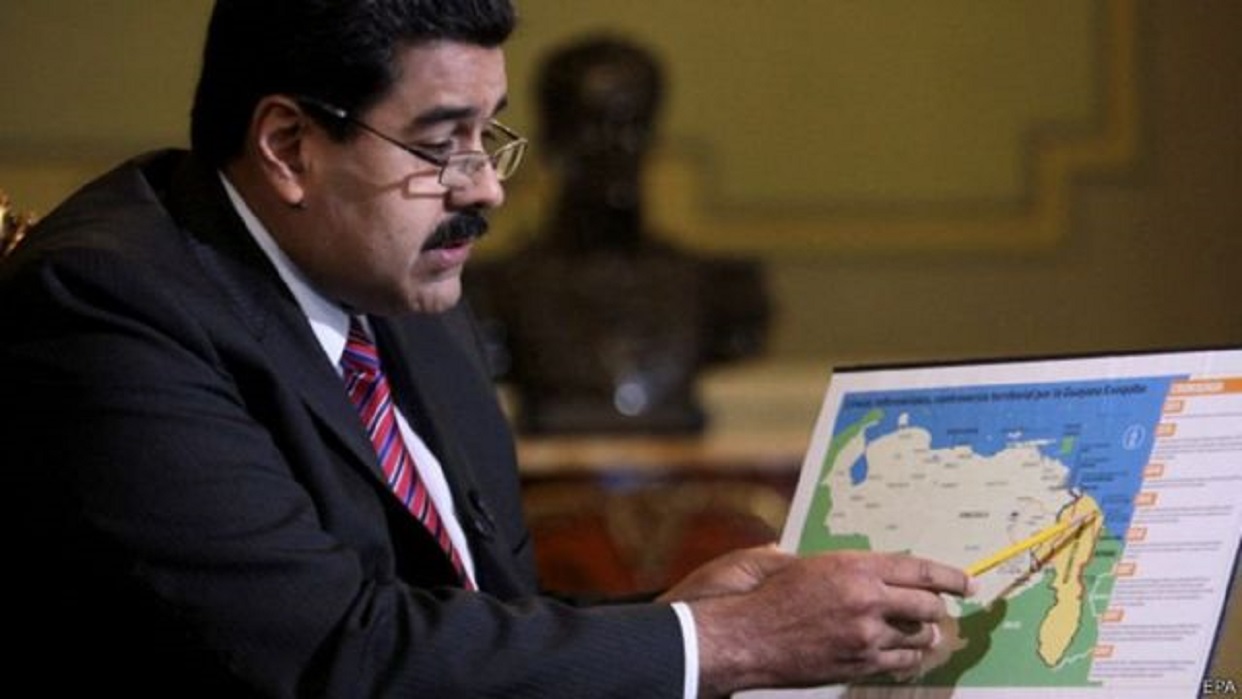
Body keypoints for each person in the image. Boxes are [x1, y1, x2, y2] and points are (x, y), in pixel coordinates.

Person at [0, 1, 973, 697]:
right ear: (289, 147)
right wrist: (723, 643)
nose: (485, 187)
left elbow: (471, 611)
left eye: (487, 133)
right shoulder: (108, 308)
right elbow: (334, 654)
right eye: (440, 144)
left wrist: (669, 616)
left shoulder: (401, 276)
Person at [467, 35, 771, 434]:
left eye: (634, 125)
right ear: (552, 140)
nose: (618, 147)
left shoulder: (722, 290)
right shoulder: (490, 294)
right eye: (594, 126)